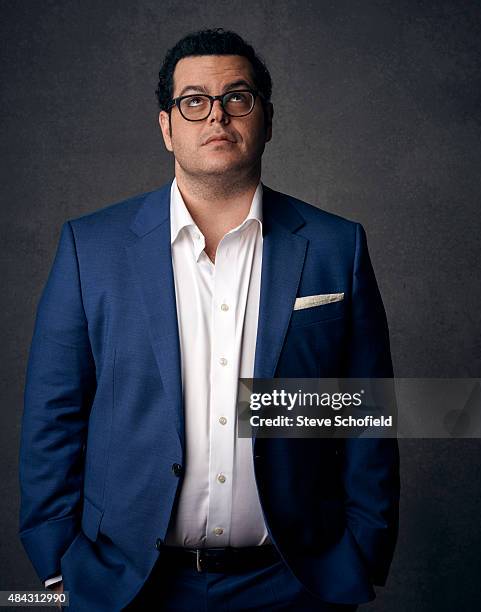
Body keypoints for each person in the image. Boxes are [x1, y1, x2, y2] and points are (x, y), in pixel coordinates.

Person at [19, 28, 400, 611]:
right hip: (129, 584)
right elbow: (54, 411)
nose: (215, 116)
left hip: (294, 583)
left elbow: (367, 410)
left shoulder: (334, 246)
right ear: (167, 127)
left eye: (237, 98)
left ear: (266, 120)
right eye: (193, 101)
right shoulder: (89, 247)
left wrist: (363, 551)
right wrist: (56, 562)